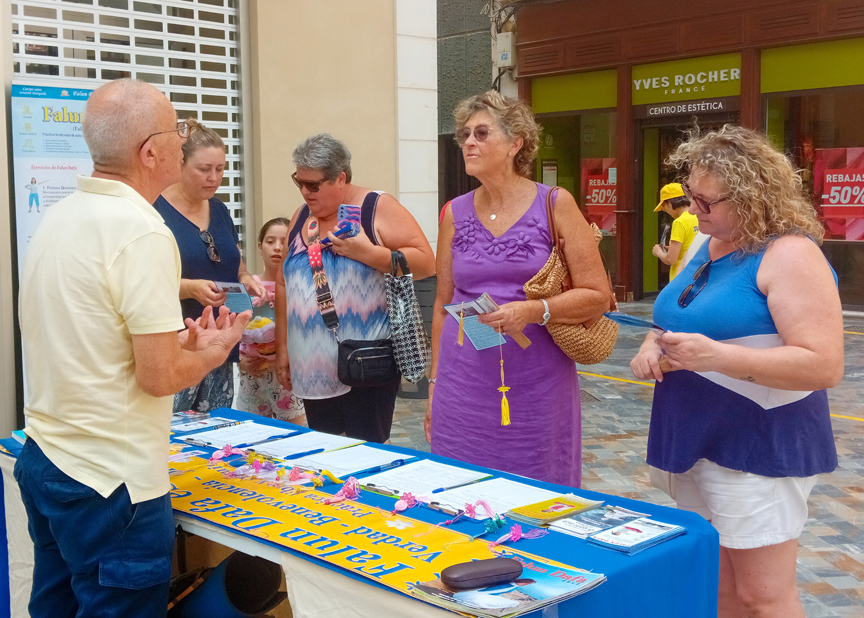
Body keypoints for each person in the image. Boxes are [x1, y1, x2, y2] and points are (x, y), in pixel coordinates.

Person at [14, 78, 250, 618]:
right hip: (109, 482)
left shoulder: (62, 214)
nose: (184, 139)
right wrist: (213, 351)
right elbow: (159, 377)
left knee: (54, 606)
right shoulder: (141, 229)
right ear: (152, 152)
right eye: (179, 130)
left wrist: (181, 343)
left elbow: (91, 334)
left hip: (48, 456)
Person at [630, 125, 843, 618]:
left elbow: (823, 364)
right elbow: (674, 314)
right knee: (720, 587)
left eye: (707, 201)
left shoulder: (790, 253)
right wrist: (650, 342)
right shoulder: (705, 244)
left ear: (752, 197)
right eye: (690, 197)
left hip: (757, 442)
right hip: (698, 435)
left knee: (762, 597)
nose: (695, 211)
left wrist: (717, 357)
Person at [424, 91, 610, 487]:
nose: (468, 142)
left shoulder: (555, 203)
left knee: (536, 488)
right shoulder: (453, 213)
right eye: (464, 135)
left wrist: (533, 311)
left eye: (481, 133)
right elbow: (443, 304)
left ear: (515, 143)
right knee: (459, 487)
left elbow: (596, 293)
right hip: (464, 379)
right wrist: (435, 386)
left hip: (535, 380)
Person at [275, 134, 435, 443]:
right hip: (312, 365)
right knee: (327, 451)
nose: (304, 192)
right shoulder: (301, 217)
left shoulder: (375, 207)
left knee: (365, 453)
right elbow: (283, 282)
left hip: (365, 361)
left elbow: (427, 262)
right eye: (299, 181)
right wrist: (284, 349)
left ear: (341, 178)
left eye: (313, 185)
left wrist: (367, 254)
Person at [154, 118, 265, 413]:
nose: (214, 178)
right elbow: (140, 284)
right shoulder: (153, 212)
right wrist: (190, 289)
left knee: (215, 436)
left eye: (220, 169)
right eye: (204, 169)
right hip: (176, 347)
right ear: (180, 164)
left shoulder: (219, 209)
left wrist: (245, 277)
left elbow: (234, 260)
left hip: (219, 347)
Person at [235, 218, 306, 424]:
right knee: (253, 437)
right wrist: (240, 362)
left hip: (287, 376)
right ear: (260, 247)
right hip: (253, 375)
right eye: (270, 241)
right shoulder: (247, 287)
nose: (276, 248)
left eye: (283, 242)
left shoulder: (300, 286)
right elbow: (234, 328)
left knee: (293, 436)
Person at [651, 182, 699, 280]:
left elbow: (671, 259)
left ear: (670, 203)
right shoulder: (698, 216)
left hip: (680, 277)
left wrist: (658, 252)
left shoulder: (679, 222)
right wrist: (673, 249)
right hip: (696, 272)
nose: (666, 212)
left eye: (664, 208)